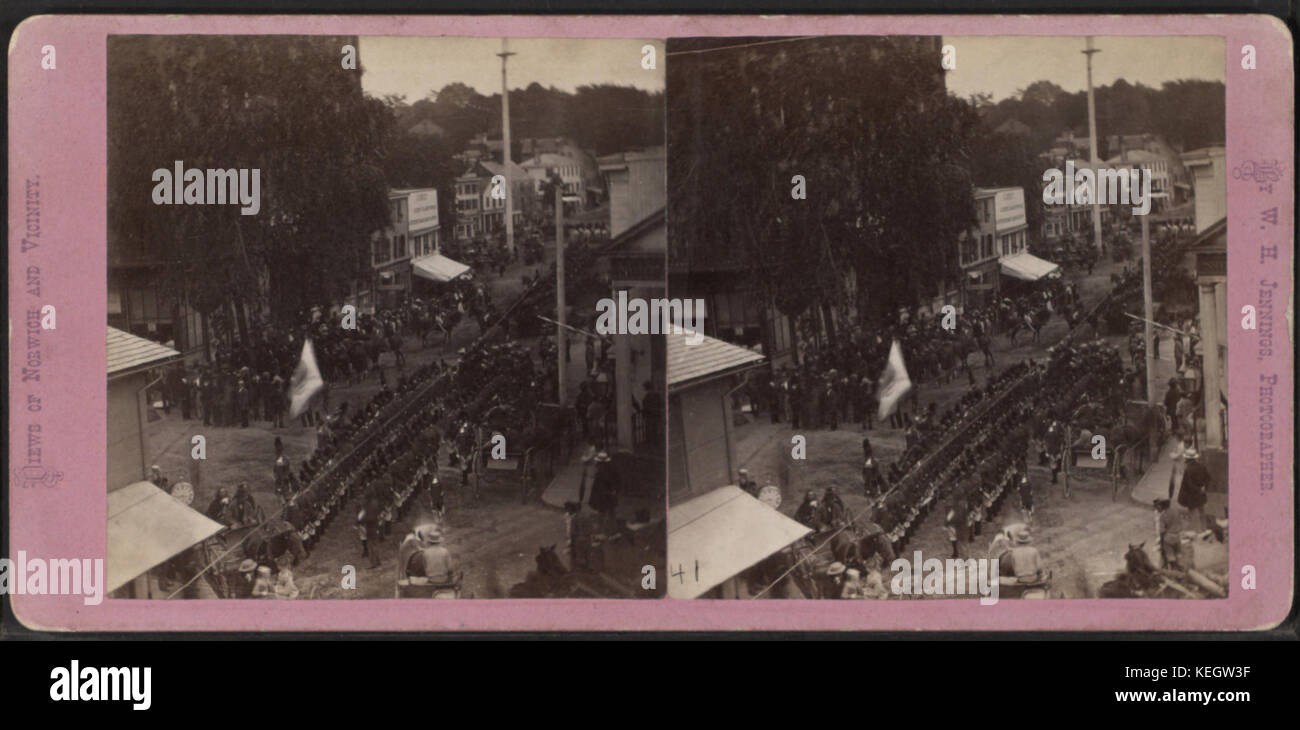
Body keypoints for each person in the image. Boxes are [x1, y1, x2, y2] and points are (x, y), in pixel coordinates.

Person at [1176, 448, 1211, 530]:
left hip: (1192, 495)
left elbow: (1188, 485)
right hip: (1201, 494)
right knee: (1202, 511)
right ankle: (1204, 528)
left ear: (1188, 459)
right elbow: (1208, 478)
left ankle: (1196, 530)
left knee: (1193, 513)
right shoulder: (1202, 466)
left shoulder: (1188, 470)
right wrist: (1204, 487)